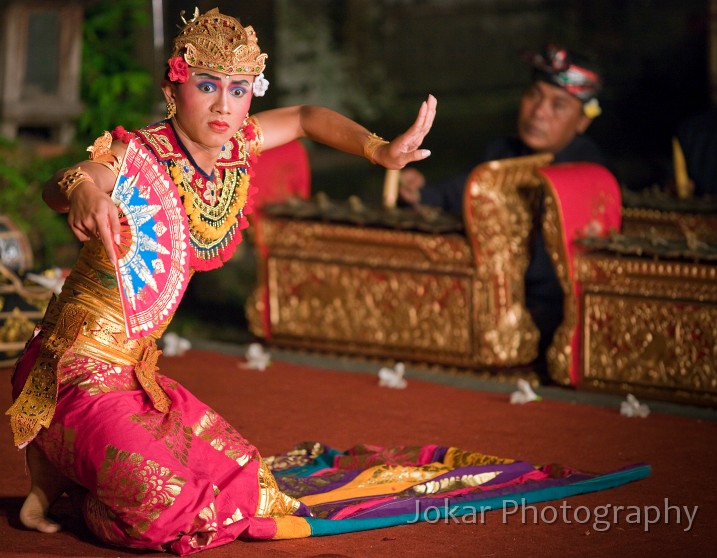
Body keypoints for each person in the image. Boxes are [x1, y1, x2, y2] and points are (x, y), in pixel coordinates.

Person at [6, 7, 436, 553]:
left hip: (137, 378)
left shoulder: (233, 149)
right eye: (207, 86)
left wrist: (378, 151)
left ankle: (66, 475)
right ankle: (78, 491)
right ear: (173, 87)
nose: (222, 105)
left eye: (238, 89)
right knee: (172, 515)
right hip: (73, 372)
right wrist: (85, 190)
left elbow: (304, 117)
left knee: (250, 487)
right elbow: (72, 181)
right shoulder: (138, 152)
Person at [399, 44, 606, 383]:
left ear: (583, 121)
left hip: (553, 318)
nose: (539, 112)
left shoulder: (588, 173)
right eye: (534, 96)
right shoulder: (503, 154)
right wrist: (414, 192)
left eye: (558, 105)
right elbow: (452, 195)